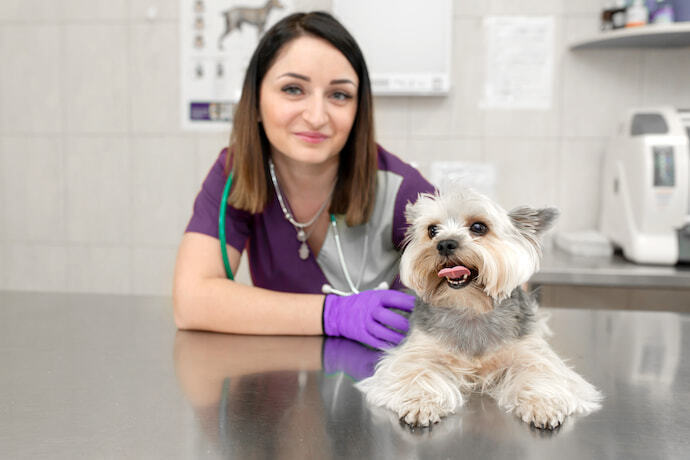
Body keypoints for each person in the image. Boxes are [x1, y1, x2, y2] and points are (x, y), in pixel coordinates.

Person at [173, 11, 434, 350]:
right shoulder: (237, 173)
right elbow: (191, 301)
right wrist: (333, 314)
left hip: (385, 386)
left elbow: (485, 283)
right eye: (293, 89)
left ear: (359, 110)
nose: (316, 117)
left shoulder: (402, 189)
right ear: (255, 102)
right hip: (280, 386)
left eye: (339, 95)